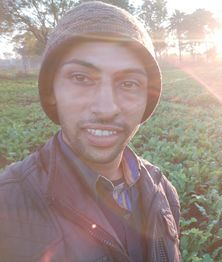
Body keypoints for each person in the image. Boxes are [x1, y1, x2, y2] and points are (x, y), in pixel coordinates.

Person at [0, 1, 180, 261]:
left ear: (147, 100)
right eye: (81, 78)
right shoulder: (7, 204)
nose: (106, 108)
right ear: (52, 91)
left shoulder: (163, 192)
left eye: (129, 83)